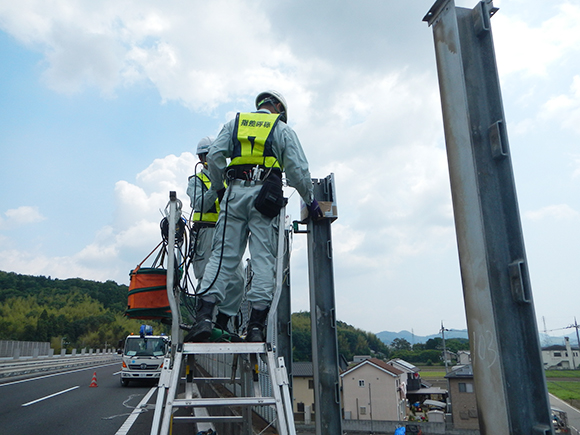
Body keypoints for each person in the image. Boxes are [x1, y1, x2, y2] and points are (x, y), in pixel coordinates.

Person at [187, 90, 323, 343]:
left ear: (259, 106)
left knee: (223, 256)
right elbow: (298, 170)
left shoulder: (235, 123)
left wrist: (218, 186)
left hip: (235, 194)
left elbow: (216, 155)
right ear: (280, 110)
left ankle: (204, 318)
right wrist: (310, 200)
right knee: (263, 261)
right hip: (266, 198)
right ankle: (256, 327)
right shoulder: (281, 129)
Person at [186, 137, 245, 335]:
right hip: (206, 232)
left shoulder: (232, 178)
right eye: (207, 157)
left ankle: (222, 321)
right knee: (206, 278)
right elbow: (199, 204)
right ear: (201, 158)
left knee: (237, 280)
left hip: (229, 233)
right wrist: (215, 186)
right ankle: (203, 322)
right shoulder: (196, 180)